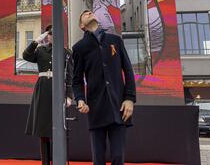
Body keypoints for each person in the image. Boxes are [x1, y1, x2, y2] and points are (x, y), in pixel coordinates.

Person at [73, 10, 136, 165]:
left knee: (118, 158)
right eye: (85, 13)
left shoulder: (115, 40)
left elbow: (128, 70)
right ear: (82, 25)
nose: (89, 12)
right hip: (96, 109)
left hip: (119, 107)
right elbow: (77, 80)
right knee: (98, 160)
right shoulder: (79, 48)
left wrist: (129, 99)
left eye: (91, 12)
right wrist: (80, 100)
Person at [23, 24, 74, 165]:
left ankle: (59, 161)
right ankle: (45, 162)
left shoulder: (66, 52)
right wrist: (36, 41)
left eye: (54, 33)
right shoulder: (40, 50)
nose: (52, 35)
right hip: (43, 89)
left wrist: (69, 96)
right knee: (43, 130)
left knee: (59, 130)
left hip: (58, 90)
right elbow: (26, 56)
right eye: (49, 33)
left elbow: (70, 75)